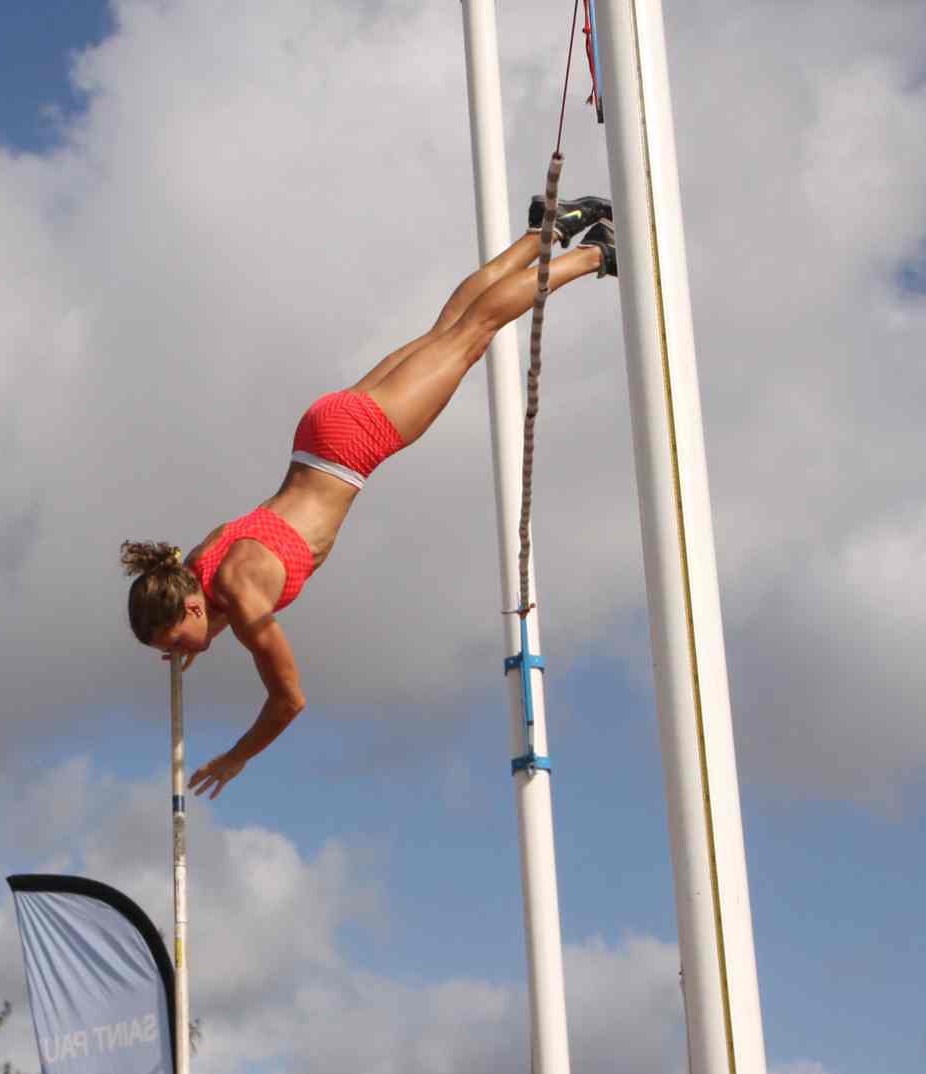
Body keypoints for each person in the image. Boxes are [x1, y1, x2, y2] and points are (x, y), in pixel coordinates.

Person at [121, 196, 616, 800]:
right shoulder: (200, 564)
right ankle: (547, 232)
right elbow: (218, 603)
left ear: (191, 610)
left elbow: (289, 701)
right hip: (320, 432)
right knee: (451, 329)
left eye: (173, 643)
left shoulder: (242, 600)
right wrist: (201, 638)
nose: (177, 655)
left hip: (355, 446)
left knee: (474, 332)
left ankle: (595, 253)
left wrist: (235, 757)